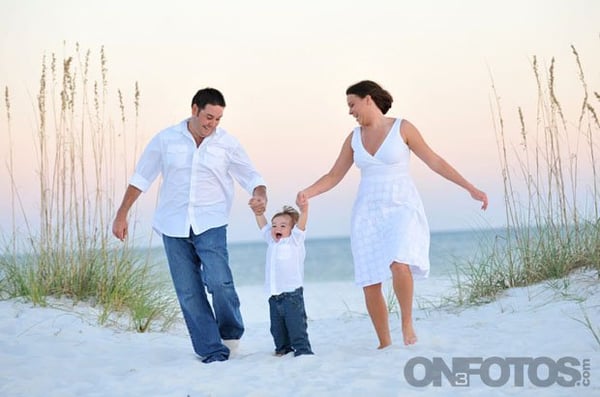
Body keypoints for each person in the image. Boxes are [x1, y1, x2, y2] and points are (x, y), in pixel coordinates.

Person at [296, 80, 488, 349]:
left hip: (401, 205)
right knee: (370, 279)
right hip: (367, 211)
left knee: (400, 262)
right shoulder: (353, 138)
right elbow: (334, 175)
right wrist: (308, 192)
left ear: (368, 99)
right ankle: (384, 343)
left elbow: (435, 161)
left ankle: (407, 324)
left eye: (352, 105)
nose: (350, 111)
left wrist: (470, 188)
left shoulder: (402, 128)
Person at [112, 87, 267, 363]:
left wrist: (260, 194)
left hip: (211, 221)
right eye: (209, 117)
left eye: (218, 119)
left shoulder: (226, 143)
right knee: (188, 291)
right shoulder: (166, 139)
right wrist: (122, 213)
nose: (213, 124)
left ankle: (229, 334)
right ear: (194, 109)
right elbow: (141, 177)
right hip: (173, 224)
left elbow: (252, 175)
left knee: (220, 282)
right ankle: (211, 350)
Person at [249, 202, 314, 357]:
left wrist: (304, 210)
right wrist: (258, 213)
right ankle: (282, 350)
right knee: (277, 329)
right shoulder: (272, 240)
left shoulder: (295, 240)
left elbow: (302, 225)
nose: (277, 229)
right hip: (274, 296)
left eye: (283, 226)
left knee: (296, 326)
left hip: (292, 296)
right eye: (275, 225)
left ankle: (302, 351)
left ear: (292, 229)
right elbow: (263, 226)